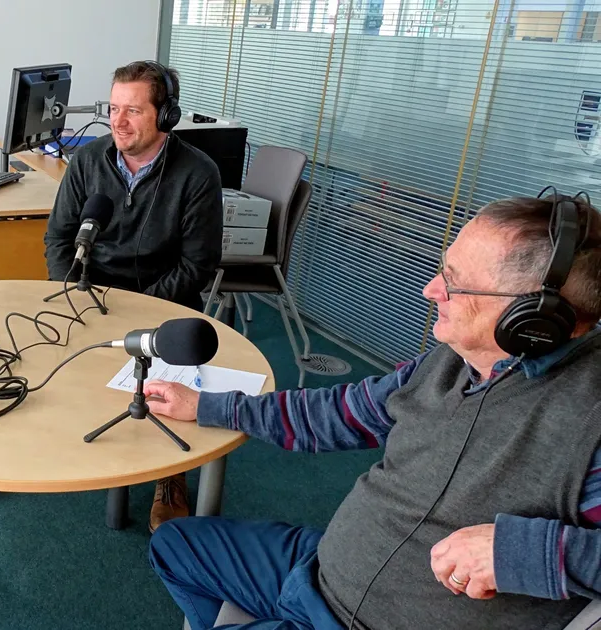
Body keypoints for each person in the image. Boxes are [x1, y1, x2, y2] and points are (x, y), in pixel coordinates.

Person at [145, 193, 601, 629]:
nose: (430, 290)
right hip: (319, 573)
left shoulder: (590, 420)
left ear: (533, 318)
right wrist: (209, 405)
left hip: (363, 620)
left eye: (454, 282)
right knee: (175, 544)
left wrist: (519, 553)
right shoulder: (452, 360)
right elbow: (341, 413)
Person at [43, 60, 223, 532]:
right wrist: (73, 294)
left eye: (133, 111)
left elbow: (197, 265)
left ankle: (170, 476)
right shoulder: (87, 161)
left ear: (166, 116)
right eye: (113, 109)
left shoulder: (197, 173)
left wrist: (139, 313)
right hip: (92, 297)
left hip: (164, 302)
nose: (118, 122)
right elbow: (59, 239)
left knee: (169, 391)